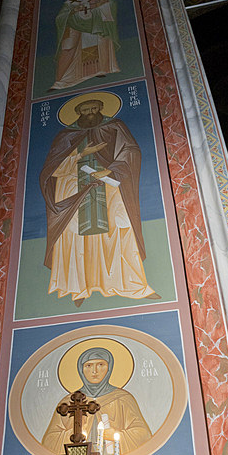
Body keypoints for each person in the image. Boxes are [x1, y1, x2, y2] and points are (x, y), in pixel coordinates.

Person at [39, 97, 157, 303]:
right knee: (75, 236)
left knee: (119, 230)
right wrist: (81, 153)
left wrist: (110, 169)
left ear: (102, 107)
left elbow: (131, 151)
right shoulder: (66, 135)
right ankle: (78, 288)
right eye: (85, 110)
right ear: (78, 113)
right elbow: (51, 169)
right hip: (74, 189)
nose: (91, 112)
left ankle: (130, 284)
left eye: (94, 107)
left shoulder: (115, 127)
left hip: (110, 187)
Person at [43, 346, 151, 455]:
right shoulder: (67, 403)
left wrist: (115, 434)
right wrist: (74, 434)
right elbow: (50, 440)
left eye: (100, 365)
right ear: (81, 370)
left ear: (109, 368)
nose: (94, 371)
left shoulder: (122, 398)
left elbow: (142, 434)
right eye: (88, 366)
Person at [50, 0, 120, 90]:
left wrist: (97, 7)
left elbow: (110, 5)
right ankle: (72, 75)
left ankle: (101, 68)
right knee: (69, 49)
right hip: (76, 31)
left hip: (97, 28)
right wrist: (73, 12)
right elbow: (60, 18)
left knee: (100, 42)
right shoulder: (70, 3)